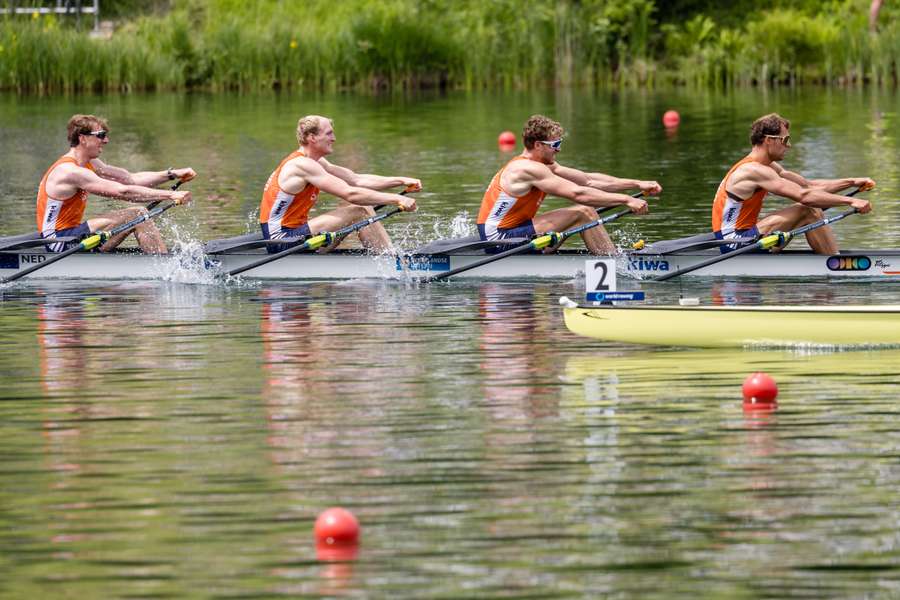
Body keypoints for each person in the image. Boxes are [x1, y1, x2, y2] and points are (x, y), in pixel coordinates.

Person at [476, 114, 659, 254]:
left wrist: (638, 183)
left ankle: (607, 256)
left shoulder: (545, 165)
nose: (559, 149)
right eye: (555, 144)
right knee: (584, 212)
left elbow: (589, 180)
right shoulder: (526, 169)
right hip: (498, 240)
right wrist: (626, 200)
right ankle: (614, 263)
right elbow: (578, 194)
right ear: (538, 145)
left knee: (582, 214)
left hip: (513, 232)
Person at [712, 113, 874, 254]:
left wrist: (852, 182)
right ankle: (836, 264)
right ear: (769, 140)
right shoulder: (752, 170)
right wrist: (851, 201)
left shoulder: (768, 167)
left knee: (809, 207)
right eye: (785, 140)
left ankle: (830, 260)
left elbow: (808, 187)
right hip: (734, 243)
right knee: (808, 210)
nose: (789, 146)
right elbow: (805, 196)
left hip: (746, 236)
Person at [259, 115, 419, 253]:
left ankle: (384, 256)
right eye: (329, 133)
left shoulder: (316, 161)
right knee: (359, 211)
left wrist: (401, 180)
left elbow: (356, 179)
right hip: (281, 241)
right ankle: (393, 262)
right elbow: (351, 193)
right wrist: (397, 199)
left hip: (295, 234)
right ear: (312, 137)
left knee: (366, 208)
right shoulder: (301, 165)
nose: (334, 138)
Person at [37, 114, 194, 253]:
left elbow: (130, 179)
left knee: (138, 214)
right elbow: (123, 192)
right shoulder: (70, 171)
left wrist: (172, 174)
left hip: (73, 233)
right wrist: (171, 194)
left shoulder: (91, 163)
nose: (106, 140)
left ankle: (160, 260)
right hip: (57, 241)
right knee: (137, 214)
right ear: (82, 138)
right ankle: (163, 266)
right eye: (101, 135)